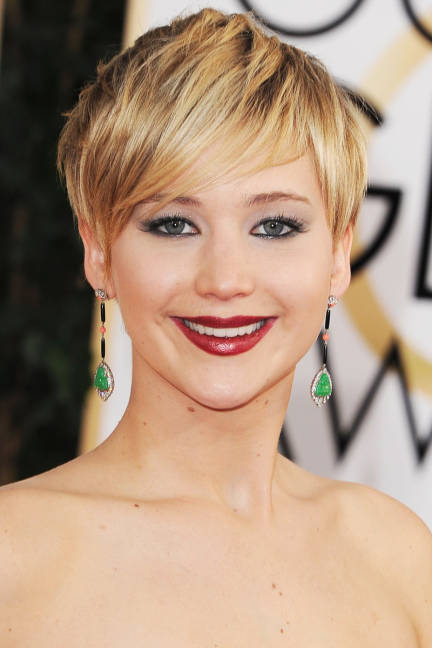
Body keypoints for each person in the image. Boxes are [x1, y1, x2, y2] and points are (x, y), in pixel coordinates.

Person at [1, 8, 431, 646]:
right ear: (98, 253)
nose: (225, 280)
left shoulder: (398, 557)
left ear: (339, 254)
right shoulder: (15, 560)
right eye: (174, 224)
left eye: (275, 226)